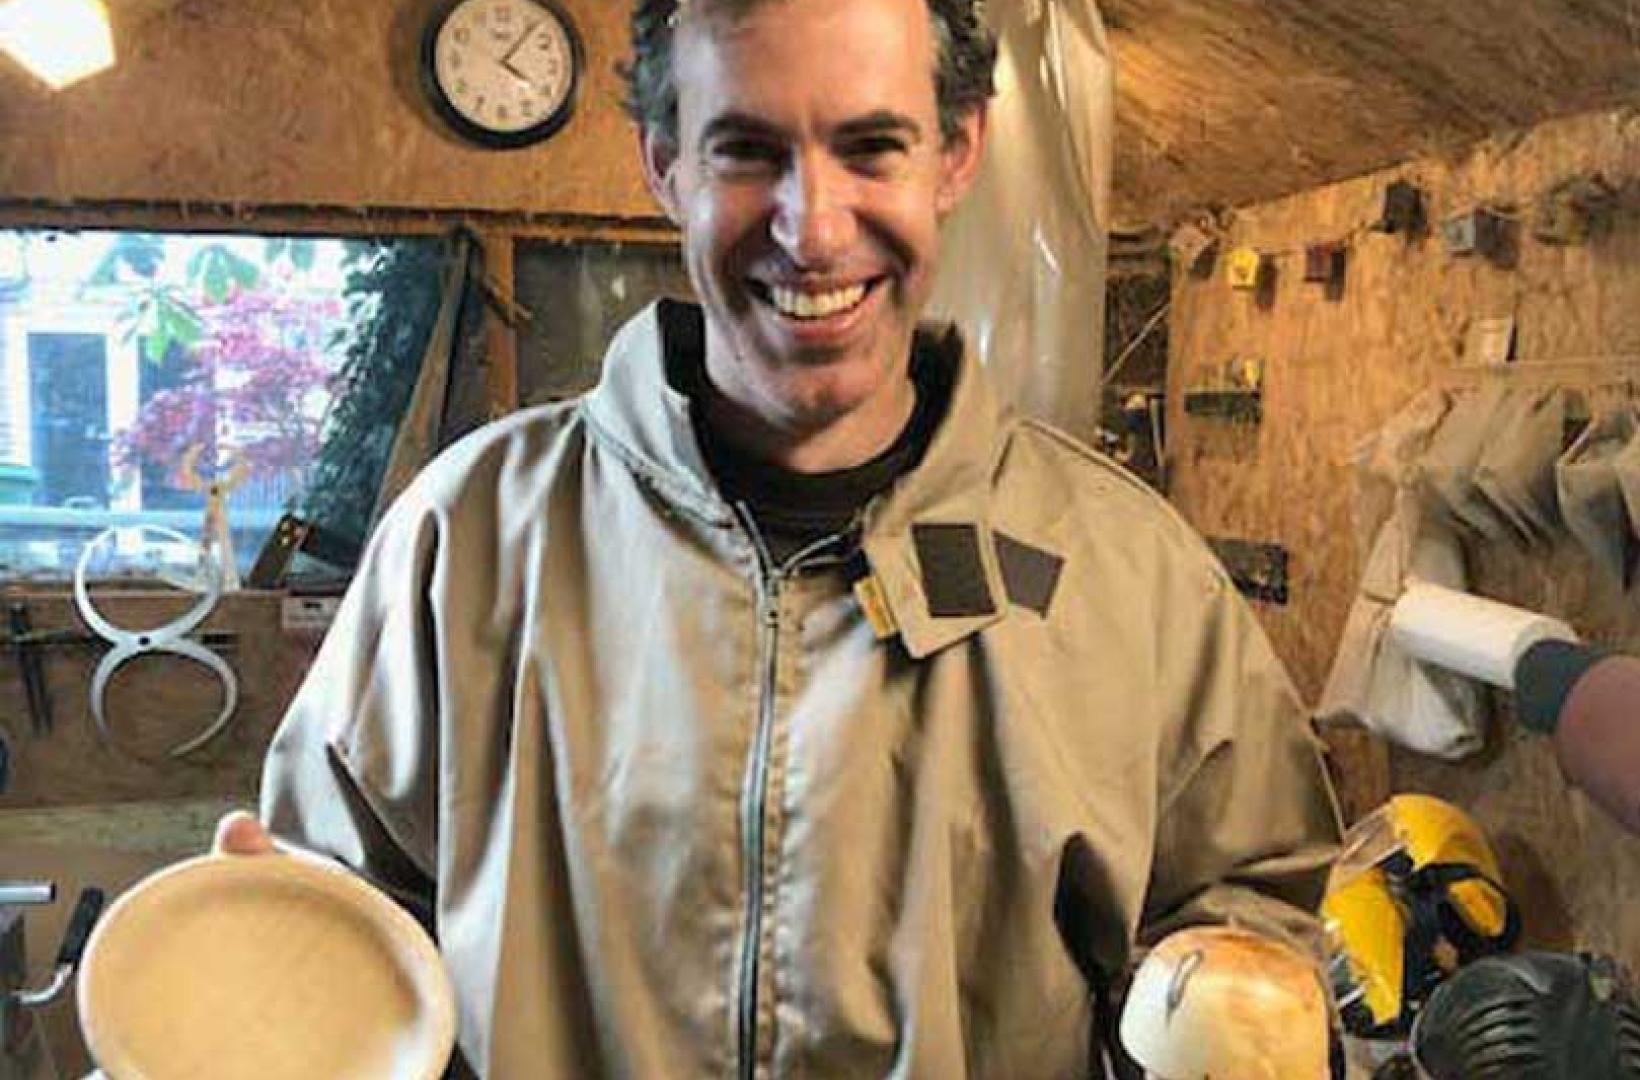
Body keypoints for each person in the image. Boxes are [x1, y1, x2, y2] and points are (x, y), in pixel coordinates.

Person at [226, 0, 1343, 1074]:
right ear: (665, 163)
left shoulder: (1130, 575)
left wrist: (1225, 1014)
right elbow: (340, 936)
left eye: (871, 148)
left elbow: (1251, 923)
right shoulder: (468, 540)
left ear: (957, 153)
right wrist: (264, 972)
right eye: (748, 152)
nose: (813, 231)